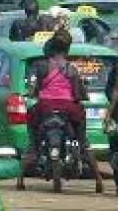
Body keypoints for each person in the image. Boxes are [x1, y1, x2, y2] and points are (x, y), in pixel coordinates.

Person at [21, 34, 104, 192]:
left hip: (45, 108)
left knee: (31, 121)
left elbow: (32, 89)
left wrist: (32, 93)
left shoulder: (41, 66)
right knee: (83, 141)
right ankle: (98, 178)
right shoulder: (71, 69)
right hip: (68, 108)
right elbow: (78, 94)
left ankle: (32, 149)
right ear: (66, 50)